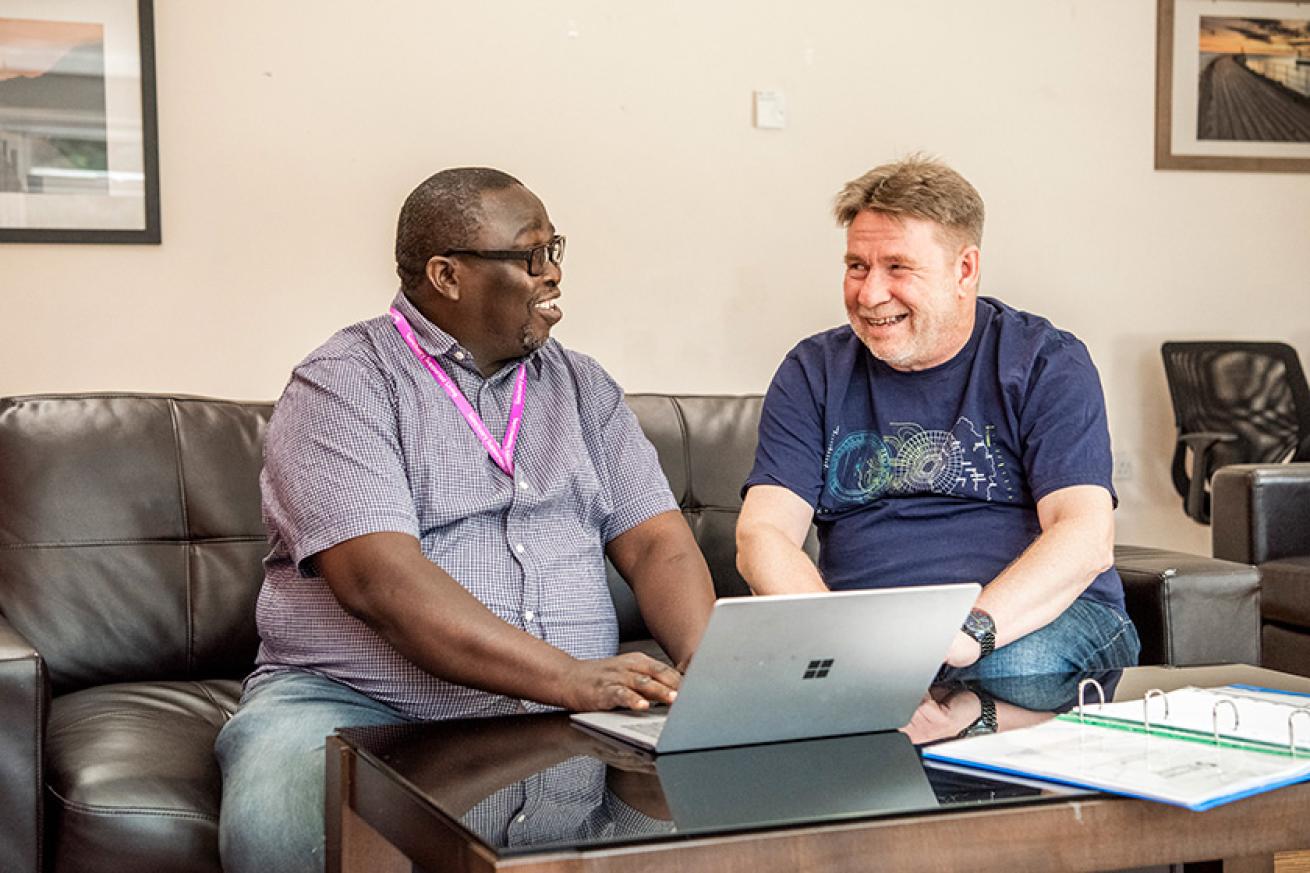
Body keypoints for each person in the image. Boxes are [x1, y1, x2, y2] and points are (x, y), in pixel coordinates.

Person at [215, 167, 715, 873]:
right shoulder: (343, 383)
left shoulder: (584, 387)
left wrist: (708, 667)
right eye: (531, 255)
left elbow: (657, 541)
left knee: (725, 810)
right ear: (447, 275)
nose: (554, 276)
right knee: (284, 822)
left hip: (569, 712)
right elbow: (380, 582)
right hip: (359, 704)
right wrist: (568, 676)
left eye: (556, 250)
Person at [735, 154, 1139, 685]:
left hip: (1029, 622)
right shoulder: (815, 370)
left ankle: (957, 712)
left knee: (1009, 667)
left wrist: (965, 636)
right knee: (742, 679)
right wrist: (833, 646)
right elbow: (763, 532)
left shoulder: (1044, 361)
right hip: (868, 636)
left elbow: (1084, 534)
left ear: (964, 270)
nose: (870, 293)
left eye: (897, 267)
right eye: (857, 266)